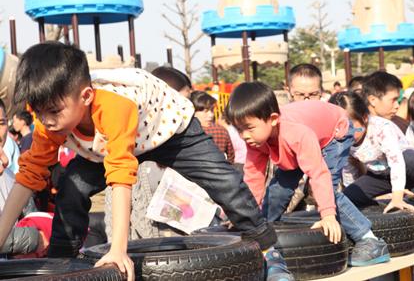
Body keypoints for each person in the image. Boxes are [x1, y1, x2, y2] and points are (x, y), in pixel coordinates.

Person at [0, 42, 279, 281]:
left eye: (53, 111)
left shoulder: (113, 106)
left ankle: (269, 250)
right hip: (103, 146)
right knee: (72, 190)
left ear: (85, 97)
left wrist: (118, 249)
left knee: (223, 181)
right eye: (38, 112)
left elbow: (121, 176)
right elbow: (29, 175)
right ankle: (61, 264)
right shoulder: (52, 122)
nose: (47, 120)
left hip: (167, 131)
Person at [226, 82, 391, 267]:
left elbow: (319, 175)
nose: (243, 136)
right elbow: (253, 178)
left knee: (326, 191)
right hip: (302, 140)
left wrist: (328, 215)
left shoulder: (295, 133)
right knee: (280, 187)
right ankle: (264, 228)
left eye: (249, 128)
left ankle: (370, 240)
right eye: (238, 129)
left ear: (272, 119)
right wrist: (247, 217)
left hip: (334, 132)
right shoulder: (255, 140)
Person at [330, 91, 414, 212]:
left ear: (364, 118)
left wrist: (397, 198)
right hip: (380, 175)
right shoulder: (342, 139)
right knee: (349, 196)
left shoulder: (382, 128)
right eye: (337, 127)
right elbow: (348, 168)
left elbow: (397, 162)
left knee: (410, 158)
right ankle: (377, 205)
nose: (344, 132)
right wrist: (354, 191)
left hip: (406, 169)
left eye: (349, 127)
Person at [191, 91, 234, 163]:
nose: (211, 115)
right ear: (193, 111)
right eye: (205, 111)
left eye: (211, 110)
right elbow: (230, 158)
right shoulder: (221, 131)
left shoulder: (184, 133)